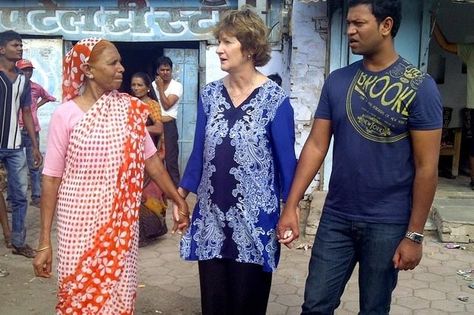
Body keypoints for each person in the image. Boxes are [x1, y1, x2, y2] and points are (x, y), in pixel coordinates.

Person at [278, 1, 443, 314]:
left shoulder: (420, 88)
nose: (350, 31)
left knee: (373, 309)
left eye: (359, 23)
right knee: (315, 305)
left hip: (388, 222)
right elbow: (315, 145)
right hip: (337, 217)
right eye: (348, 24)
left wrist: (414, 235)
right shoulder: (337, 81)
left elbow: (426, 168)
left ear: (386, 25)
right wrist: (291, 205)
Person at [32, 38, 189, 314]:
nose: (121, 68)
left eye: (120, 61)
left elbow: (151, 161)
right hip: (77, 226)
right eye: (113, 62)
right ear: (88, 70)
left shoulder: (130, 111)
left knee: (117, 290)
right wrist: (44, 241)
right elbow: (52, 178)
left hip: (120, 224)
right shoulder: (65, 115)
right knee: (79, 294)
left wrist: (177, 198)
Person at [177, 7, 297, 315]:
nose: (219, 49)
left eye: (228, 41)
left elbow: (287, 163)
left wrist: (291, 210)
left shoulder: (275, 100)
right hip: (212, 220)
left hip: (255, 222)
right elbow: (199, 153)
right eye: (219, 41)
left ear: (251, 47)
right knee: (214, 305)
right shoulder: (209, 95)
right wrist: (179, 196)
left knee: (248, 305)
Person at [0, 30, 42, 259]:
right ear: (2, 49)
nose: (20, 48)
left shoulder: (23, 80)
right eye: (15, 45)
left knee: (19, 196)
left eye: (21, 45)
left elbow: (26, 112)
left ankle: (18, 241)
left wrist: (34, 145)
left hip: (16, 145)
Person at [432, 21, 474, 190]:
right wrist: (433, 23)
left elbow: (445, 45)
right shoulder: (471, 50)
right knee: (473, 145)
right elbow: (445, 45)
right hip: (473, 106)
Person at [130, 72, 168, 247]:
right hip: (133, 155)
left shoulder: (151, 105)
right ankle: (138, 233)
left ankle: (149, 231)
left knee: (148, 194)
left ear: (147, 87)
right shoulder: (129, 104)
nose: (136, 88)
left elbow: (159, 128)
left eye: (139, 85)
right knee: (134, 194)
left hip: (148, 154)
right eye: (134, 85)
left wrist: (138, 130)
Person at [16, 58, 57, 207]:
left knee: (34, 165)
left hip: (32, 130)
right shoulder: (13, 87)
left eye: (29, 70)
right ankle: (13, 199)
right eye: (24, 70)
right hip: (15, 131)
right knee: (16, 166)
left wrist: (35, 106)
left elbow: (49, 97)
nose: (27, 73)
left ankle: (37, 197)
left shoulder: (35, 88)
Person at [152, 56, 183, 187]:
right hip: (154, 125)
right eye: (162, 70)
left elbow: (166, 105)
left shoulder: (176, 86)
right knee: (154, 158)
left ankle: (176, 191)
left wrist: (159, 88)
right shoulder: (151, 85)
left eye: (167, 69)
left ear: (171, 70)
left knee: (171, 160)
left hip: (169, 126)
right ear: (157, 71)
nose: (165, 72)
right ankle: (158, 192)